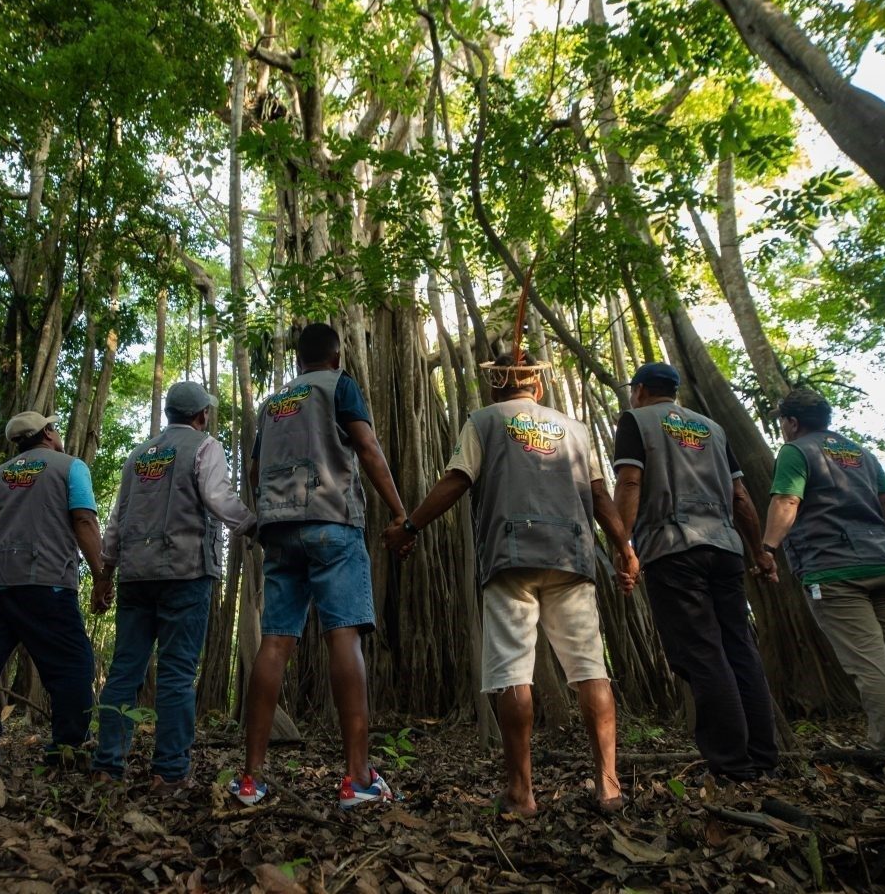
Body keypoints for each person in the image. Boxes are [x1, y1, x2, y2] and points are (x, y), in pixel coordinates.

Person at [385, 354, 634, 816]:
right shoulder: (575, 429)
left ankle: (522, 793)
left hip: (510, 555)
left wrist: (411, 528)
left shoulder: (483, 421)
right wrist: (625, 546)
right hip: (571, 554)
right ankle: (609, 785)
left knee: (513, 674)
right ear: (537, 388)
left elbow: (457, 480)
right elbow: (600, 494)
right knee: (590, 670)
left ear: (495, 387)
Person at [231, 323, 408, 810]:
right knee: (343, 636)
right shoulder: (340, 385)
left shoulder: (273, 404)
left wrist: (269, 511)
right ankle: (357, 777)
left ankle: (251, 779)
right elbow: (367, 448)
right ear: (336, 355)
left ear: (298, 359)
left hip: (279, 530)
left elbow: (252, 469)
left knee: (274, 644)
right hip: (332, 522)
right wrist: (399, 512)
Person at [610, 362, 781, 781]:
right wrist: (759, 551)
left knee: (702, 653)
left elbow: (630, 483)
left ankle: (731, 763)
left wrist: (623, 543)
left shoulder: (636, 420)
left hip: (673, 549)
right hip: (725, 548)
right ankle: (763, 755)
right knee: (739, 646)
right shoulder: (713, 429)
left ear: (640, 390)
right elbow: (740, 497)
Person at [91, 383, 256, 792]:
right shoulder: (205, 447)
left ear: (168, 415)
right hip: (186, 571)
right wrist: (254, 524)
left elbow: (118, 517)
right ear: (201, 416)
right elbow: (217, 496)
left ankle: (107, 764)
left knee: (125, 670)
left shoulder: (139, 455)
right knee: (178, 672)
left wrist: (106, 570)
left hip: (135, 574)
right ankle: (169, 769)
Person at [762, 388, 885, 753]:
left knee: (868, 659)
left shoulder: (797, 451)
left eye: (783, 421)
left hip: (834, 569)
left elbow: (787, 499)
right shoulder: (860, 453)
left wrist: (768, 547)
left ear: (792, 422)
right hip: (883, 562)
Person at [0, 411, 103, 767]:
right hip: (47, 583)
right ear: (49, 433)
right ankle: (67, 745)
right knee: (73, 666)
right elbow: (83, 519)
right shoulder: (70, 467)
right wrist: (102, 575)